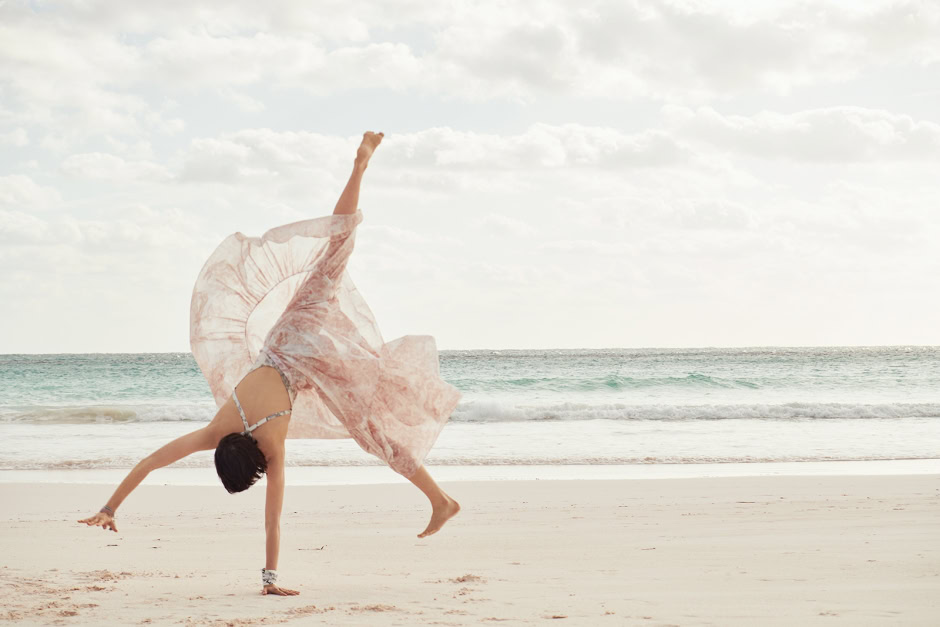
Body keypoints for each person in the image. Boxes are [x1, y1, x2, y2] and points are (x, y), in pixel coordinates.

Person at [78, 131, 463, 596]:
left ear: (254, 464)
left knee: (373, 431)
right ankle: (359, 166)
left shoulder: (272, 448)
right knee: (335, 252)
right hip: (287, 335)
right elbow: (149, 462)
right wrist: (109, 506)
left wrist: (269, 581)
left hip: (314, 363)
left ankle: (440, 499)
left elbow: (272, 521)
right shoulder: (217, 429)